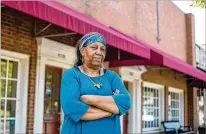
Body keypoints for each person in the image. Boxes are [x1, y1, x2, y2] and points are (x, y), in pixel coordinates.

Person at [60, 32, 131, 134]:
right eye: (94, 47)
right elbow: (72, 108)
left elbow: (126, 102)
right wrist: (111, 111)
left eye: (102, 49)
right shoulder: (71, 75)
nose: (99, 52)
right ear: (82, 50)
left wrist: (88, 99)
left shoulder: (112, 77)